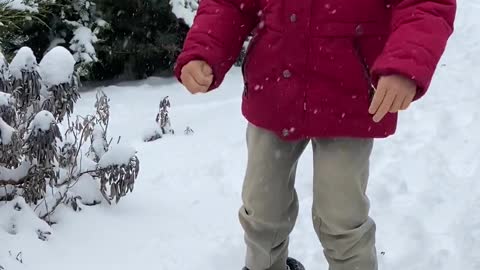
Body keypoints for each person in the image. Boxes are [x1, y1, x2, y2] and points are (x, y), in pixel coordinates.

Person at [174, 0, 456, 269]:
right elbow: (231, 5)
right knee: (262, 208)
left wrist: (405, 65)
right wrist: (204, 50)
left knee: (342, 215)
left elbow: (425, 5)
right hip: (273, 92)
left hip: (350, 96)